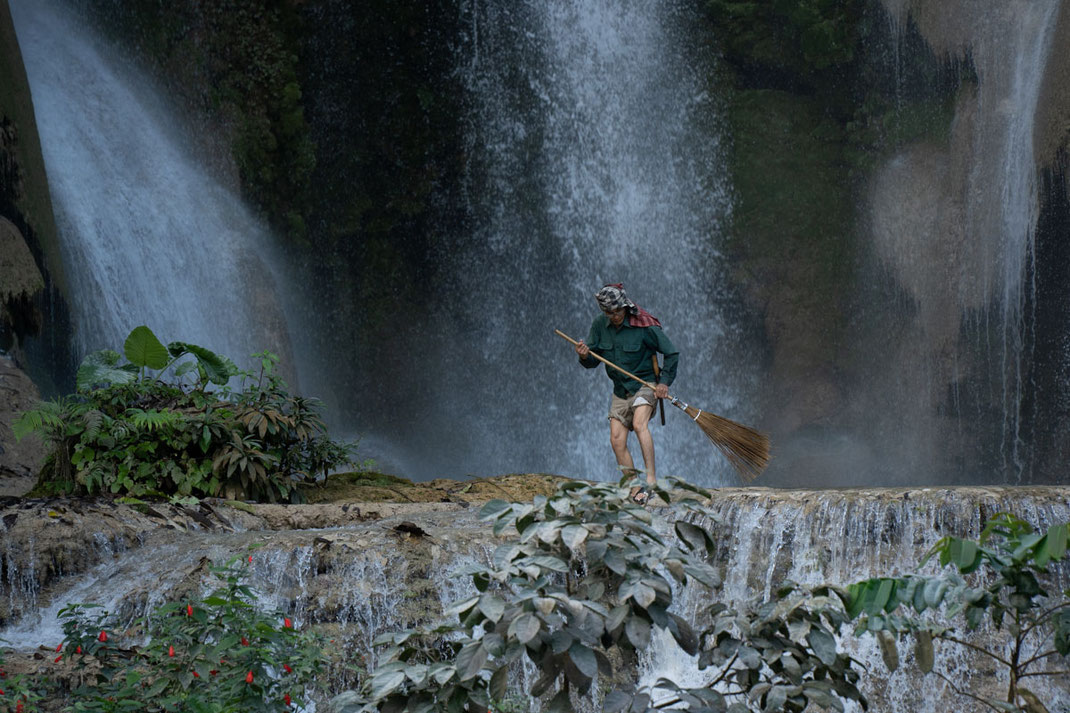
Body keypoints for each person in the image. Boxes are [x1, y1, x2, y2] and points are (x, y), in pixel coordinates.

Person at [574, 284, 679, 504]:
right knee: (616, 440)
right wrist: (584, 355)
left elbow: (671, 353)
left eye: (617, 311)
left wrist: (664, 383)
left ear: (625, 307)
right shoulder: (599, 325)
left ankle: (651, 479)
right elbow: (593, 361)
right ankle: (635, 487)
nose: (614, 316)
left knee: (640, 424)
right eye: (609, 313)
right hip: (620, 390)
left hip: (645, 385)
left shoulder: (644, 326)